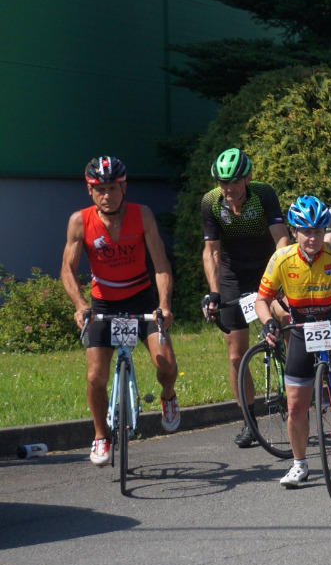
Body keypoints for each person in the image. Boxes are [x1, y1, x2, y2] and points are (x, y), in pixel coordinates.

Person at [254, 196, 331, 487]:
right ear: (294, 231)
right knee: (296, 406)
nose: (313, 238)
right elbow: (262, 299)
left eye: (318, 231)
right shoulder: (281, 259)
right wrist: (269, 321)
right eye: (306, 231)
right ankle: (299, 464)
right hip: (302, 329)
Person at [61, 157, 180, 464]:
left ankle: (168, 396)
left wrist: (164, 305)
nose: (107, 195)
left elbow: (161, 264)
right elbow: (67, 270)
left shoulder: (142, 215)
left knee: (167, 365)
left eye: (113, 188)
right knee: (95, 376)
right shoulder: (79, 221)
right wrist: (80, 305)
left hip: (141, 300)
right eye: (100, 189)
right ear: (90, 191)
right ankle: (101, 435)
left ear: (124, 187)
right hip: (104, 304)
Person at [199, 147, 290, 448]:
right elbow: (211, 251)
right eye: (223, 182)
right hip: (233, 276)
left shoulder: (263, 194)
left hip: (266, 270)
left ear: (248, 178)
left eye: (235, 181)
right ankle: (249, 422)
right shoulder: (211, 202)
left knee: (286, 319)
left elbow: (281, 238)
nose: (229, 188)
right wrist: (214, 292)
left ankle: (296, 384)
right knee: (236, 355)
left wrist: (280, 278)